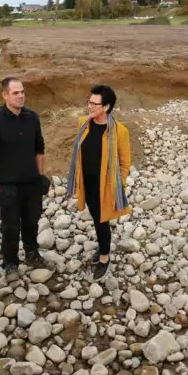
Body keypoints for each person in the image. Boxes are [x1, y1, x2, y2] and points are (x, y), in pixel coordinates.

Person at [0, 77, 51, 278]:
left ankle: (32, 254)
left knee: (31, 221)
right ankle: (10, 263)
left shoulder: (32, 118)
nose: (20, 96)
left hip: (32, 183)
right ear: (5, 95)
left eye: (22, 92)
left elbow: (39, 149)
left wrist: (40, 176)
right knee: (10, 226)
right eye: (15, 93)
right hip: (8, 186)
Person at [66, 84, 132, 282]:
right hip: (87, 183)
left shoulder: (119, 131)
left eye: (95, 104)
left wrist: (117, 184)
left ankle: (104, 257)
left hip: (105, 186)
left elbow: (125, 162)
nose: (90, 107)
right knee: (96, 217)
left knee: (102, 221)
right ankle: (102, 247)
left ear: (106, 107)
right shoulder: (83, 124)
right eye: (90, 102)